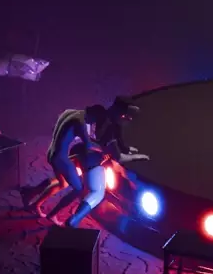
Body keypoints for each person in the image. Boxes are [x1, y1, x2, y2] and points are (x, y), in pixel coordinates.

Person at [24, 97, 147, 227]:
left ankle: (34, 199)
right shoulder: (81, 123)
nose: (93, 124)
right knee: (80, 189)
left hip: (55, 152)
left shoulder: (70, 112)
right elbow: (89, 145)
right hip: (63, 158)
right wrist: (105, 150)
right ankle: (58, 216)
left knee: (62, 183)